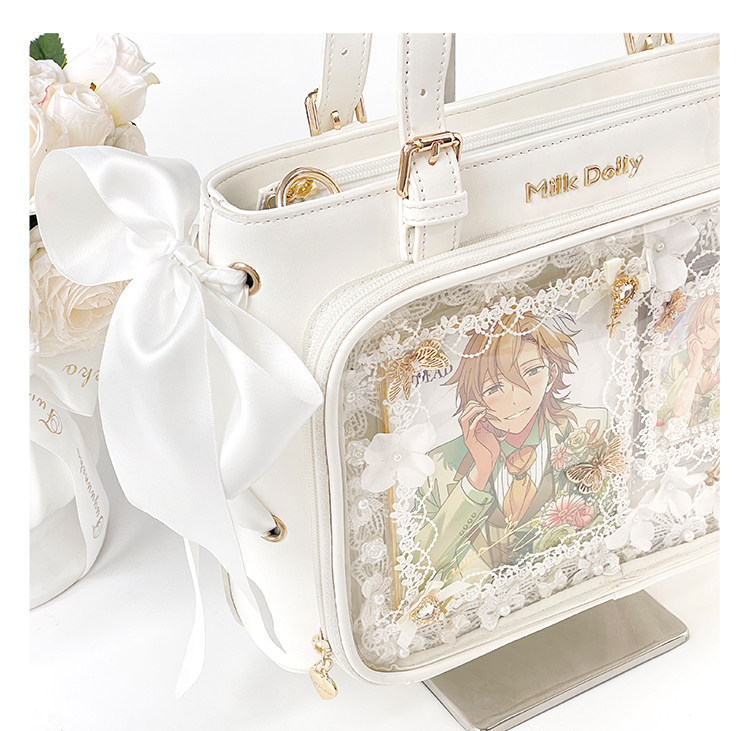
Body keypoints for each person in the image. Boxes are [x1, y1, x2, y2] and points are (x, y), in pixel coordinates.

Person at [414, 312, 608, 583]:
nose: (517, 398)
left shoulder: (592, 426)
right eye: (494, 387)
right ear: (474, 398)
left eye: (532, 372)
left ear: (552, 373)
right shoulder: (438, 466)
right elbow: (419, 566)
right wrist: (478, 476)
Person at [658, 293, 720, 428]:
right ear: (693, 331)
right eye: (702, 327)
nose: (711, 332)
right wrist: (694, 363)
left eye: (718, 322)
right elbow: (662, 409)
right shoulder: (677, 361)